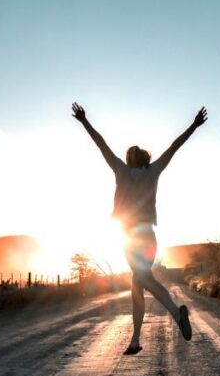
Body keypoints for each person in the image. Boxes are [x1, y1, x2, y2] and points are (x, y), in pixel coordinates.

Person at [72, 102, 207, 355]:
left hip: (131, 237)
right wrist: (194, 126)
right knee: (138, 285)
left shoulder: (121, 171)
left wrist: (84, 121)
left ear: (130, 159)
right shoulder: (152, 171)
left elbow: (101, 144)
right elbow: (174, 147)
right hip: (148, 235)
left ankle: (176, 313)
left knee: (143, 279)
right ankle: (135, 341)